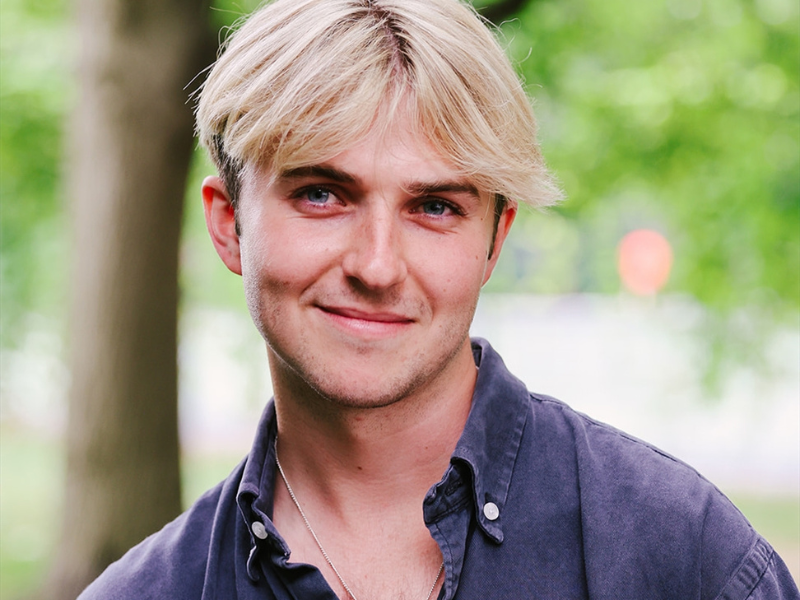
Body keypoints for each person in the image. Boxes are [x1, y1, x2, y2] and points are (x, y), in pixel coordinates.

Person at [79, 0, 799, 598]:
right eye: (322, 194)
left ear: (494, 241)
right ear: (228, 224)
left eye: (434, 208)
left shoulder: (683, 558)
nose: (377, 265)